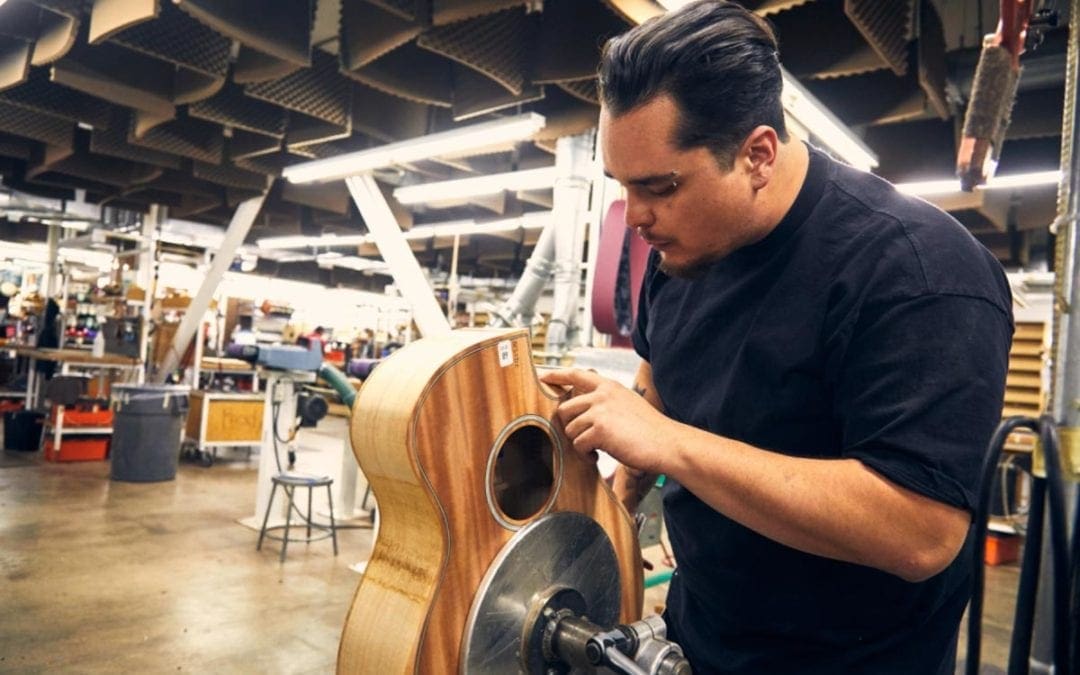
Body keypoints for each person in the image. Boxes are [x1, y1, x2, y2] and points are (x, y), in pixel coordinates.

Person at [539, 2, 1013, 673]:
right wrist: (608, 518)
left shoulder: (919, 272)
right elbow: (659, 389)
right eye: (623, 186)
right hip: (696, 636)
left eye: (659, 186)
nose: (635, 216)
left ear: (758, 153)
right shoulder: (681, 253)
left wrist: (670, 442)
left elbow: (921, 532)